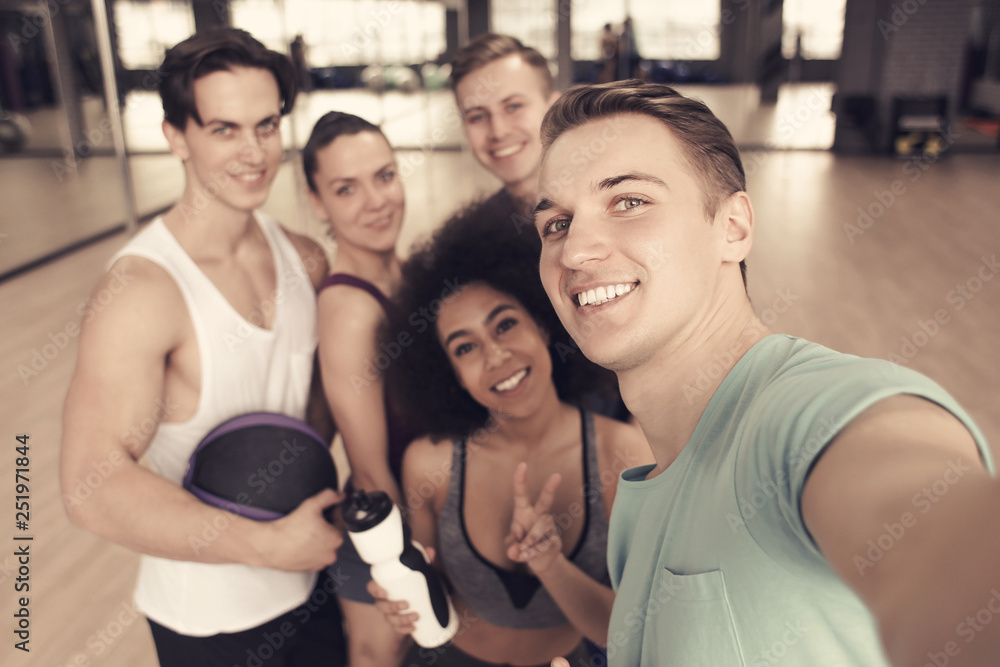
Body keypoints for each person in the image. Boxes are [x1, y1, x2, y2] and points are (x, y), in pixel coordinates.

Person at [534, 80, 998, 666]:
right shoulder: (640, 499)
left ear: (734, 227)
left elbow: (933, 534)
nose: (575, 251)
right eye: (555, 224)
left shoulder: (808, 413)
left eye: (628, 201)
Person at [59, 29, 346, 666]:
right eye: (224, 129)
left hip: (310, 581)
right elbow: (90, 487)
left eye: (266, 126)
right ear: (175, 136)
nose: (254, 153)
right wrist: (271, 546)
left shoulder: (303, 258)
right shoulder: (141, 291)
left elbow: (313, 412)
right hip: (211, 624)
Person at [370, 209, 651, 666]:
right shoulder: (430, 464)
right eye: (465, 347)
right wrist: (405, 598)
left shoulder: (621, 453)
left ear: (542, 323)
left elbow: (629, 627)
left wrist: (550, 563)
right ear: (451, 375)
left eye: (505, 324)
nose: (496, 355)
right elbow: (431, 588)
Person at [304, 110, 415, 666]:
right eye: (347, 189)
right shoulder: (347, 308)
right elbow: (370, 470)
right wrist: (410, 563)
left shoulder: (408, 273)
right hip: (385, 538)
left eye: (385, 176)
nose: (376, 201)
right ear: (317, 202)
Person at [448, 33, 561, 248]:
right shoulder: (476, 239)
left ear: (554, 107)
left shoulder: (615, 201)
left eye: (514, 106)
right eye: (478, 116)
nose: (498, 131)